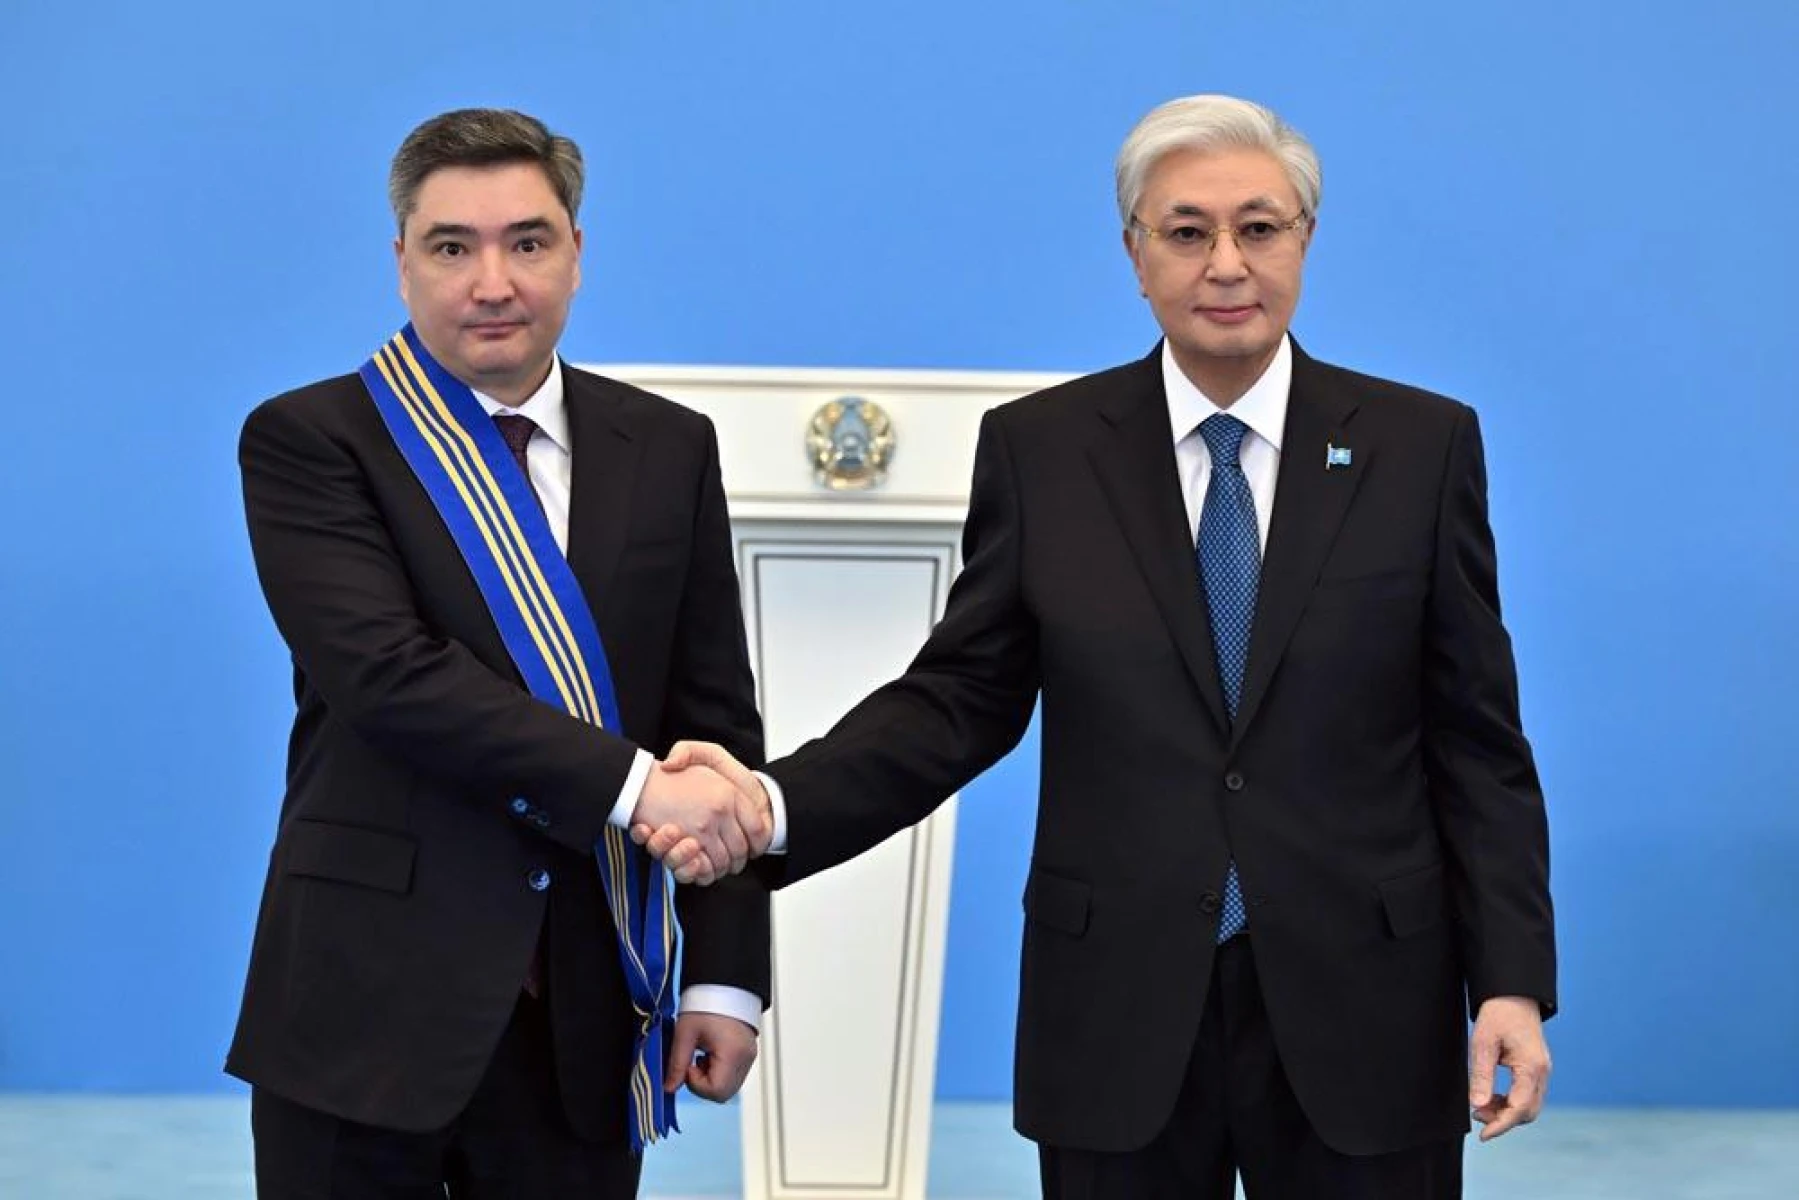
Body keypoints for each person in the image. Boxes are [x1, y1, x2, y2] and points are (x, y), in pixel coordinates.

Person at [647, 94, 1556, 1199]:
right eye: (1186, 232)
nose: (1225, 263)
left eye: (1257, 228)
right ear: (1134, 253)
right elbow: (957, 701)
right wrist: (770, 807)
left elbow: (1475, 741)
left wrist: (1508, 980)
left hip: (1366, 1003)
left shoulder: (1419, 447)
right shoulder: (1044, 451)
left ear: (1305, 240)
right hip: (1116, 1010)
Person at [228, 107, 774, 1198]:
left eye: (527, 242)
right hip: (365, 1002)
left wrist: (724, 975)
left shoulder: (668, 447)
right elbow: (390, 679)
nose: (492, 283)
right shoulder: (311, 440)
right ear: (401, 263)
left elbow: (712, 722)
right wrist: (638, 789)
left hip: (587, 1007)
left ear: (576, 252)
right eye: (451, 247)